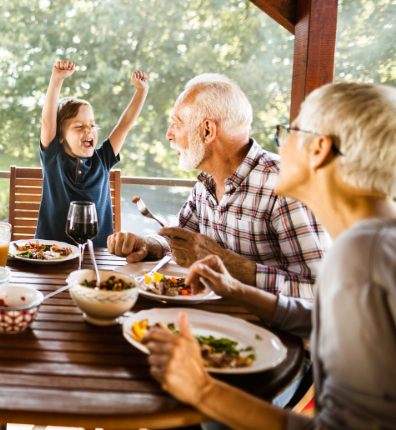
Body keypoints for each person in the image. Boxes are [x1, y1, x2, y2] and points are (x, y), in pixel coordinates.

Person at [143, 82, 396, 430]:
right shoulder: (375, 241)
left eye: (288, 133)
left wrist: (203, 391)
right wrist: (237, 288)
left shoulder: (362, 253)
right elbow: (325, 314)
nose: (278, 145)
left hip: (290, 356)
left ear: (319, 149)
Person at [108, 74, 329, 299]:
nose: (169, 134)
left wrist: (230, 265)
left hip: (258, 321)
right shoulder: (206, 181)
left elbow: (320, 290)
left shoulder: (288, 184)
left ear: (207, 131)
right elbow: (180, 239)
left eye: (177, 123)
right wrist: (146, 245)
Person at [36, 60, 149, 248]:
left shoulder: (103, 159)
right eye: (79, 126)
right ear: (60, 136)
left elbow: (124, 126)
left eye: (92, 125)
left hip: (98, 253)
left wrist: (141, 91)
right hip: (51, 252)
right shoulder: (53, 158)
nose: (88, 130)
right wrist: (57, 79)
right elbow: (48, 121)